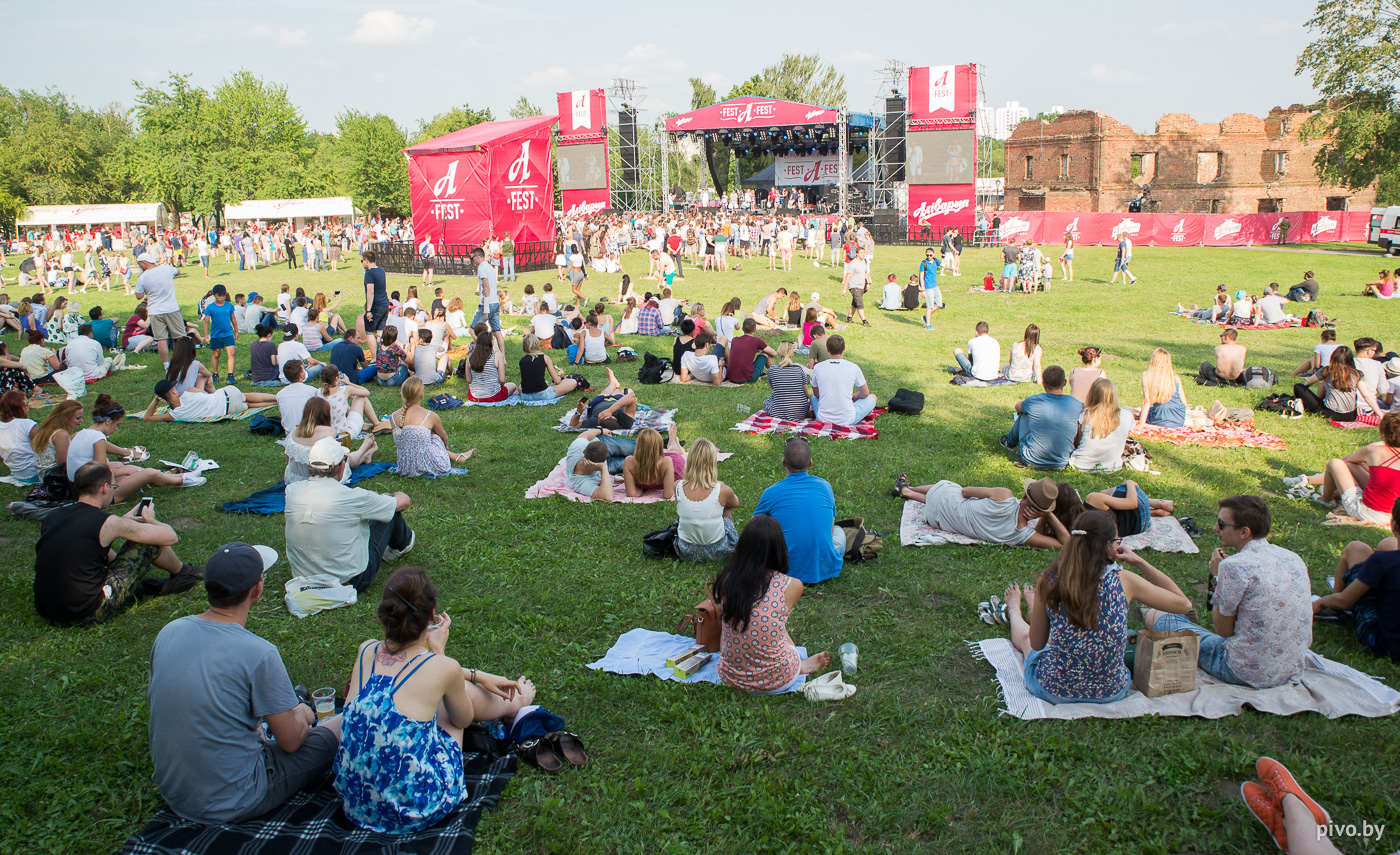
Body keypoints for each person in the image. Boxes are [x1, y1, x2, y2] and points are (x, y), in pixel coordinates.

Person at [147, 541, 340, 823]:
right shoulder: (258, 653)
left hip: (175, 792)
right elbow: (290, 742)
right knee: (342, 724)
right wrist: (303, 713)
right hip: (235, 798)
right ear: (257, 590)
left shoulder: (169, 631)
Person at [335, 567, 536, 833]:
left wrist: (472, 674)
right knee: (449, 708)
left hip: (355, 802)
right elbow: (461, 719)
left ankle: (513, 704)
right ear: (431, 616)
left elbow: (411, 666)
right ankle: (516, 704)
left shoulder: (366, 651)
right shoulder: (442, 667)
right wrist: (440, 654)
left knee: (432, 696)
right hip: (415, 809)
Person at [1001, 509, 1192, 704]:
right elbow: (1184, 604)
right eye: (1117, 541)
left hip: (1054, 690)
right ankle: (1034, 609)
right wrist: (1140, 562)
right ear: (1107, 545)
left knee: (1027, 639)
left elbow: (1037, 644)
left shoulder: (1049, 582)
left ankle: (1015, 609)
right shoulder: (1125, 581)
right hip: (1111, 692)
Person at [1142, 495, 1311, 688]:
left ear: (1244, 532)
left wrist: (1218, 577)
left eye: (1222, 524)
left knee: (1158, 617)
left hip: (1244, 671)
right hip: (1291, 666)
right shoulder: (1293, 558)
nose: (1215, 528)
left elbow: (1223, 631)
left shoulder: (1233, 567)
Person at [34, 461, 202, 625]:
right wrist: (150, 520)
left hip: (47, 611)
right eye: (114, 487)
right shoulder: (106, 522)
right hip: (87, 612)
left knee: (100, 551)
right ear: (105, 488)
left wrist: (122, 522)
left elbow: (83, 543)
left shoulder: (53, 517)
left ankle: (152, 583)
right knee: (147, 543)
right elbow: (170, 536)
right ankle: (185, 572)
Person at [711, 515, 830, 693]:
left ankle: (793, 662)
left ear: (742, 548)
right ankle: (798, 664)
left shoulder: (725, 580)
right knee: (774, 625)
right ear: (779, 548)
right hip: (777, 679)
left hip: (730, 677)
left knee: (756, 622)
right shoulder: (791, 585)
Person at [285, 437, 415, 592]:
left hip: (302, 576)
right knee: (390, 513)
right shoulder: (355, 497)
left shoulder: (292, 491)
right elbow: (404, 501)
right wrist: (387, 496)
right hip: (350, 580)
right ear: (341, 466)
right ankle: (402, 545)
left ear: (310, 465)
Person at [71, 394, 205, 498]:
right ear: (107, 421)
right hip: (96, 493)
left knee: (126, 467)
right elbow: (101, 474)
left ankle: (175, 477)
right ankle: (182, 480)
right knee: (148, 473)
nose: (116, 429)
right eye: (117, 425)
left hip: (79, 487)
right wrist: (125, 472)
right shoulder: (98, 437)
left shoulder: (82, 433)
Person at [752, 438, 843, 584]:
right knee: (839, 531)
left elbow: (754, 527)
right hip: (823, 565)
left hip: (782, 568)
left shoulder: (771, 492)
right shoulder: (825, 486)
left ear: (783, 462)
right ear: (810, 463)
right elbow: (831, 523)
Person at [1316, 506, 1400, 663]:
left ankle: (1335, 606)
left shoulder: (1381, 560)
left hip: (1385, 643)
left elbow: (1343, 602)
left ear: (1394, 524)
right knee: (1389, 543)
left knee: (1355, 548)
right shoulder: (1384, 560)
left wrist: (1321, 602)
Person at [893, 475, 1072, 549]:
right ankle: (907, 491)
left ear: (1024, 495)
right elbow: (1066, 544)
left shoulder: (1004, 495)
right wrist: (1048, 515)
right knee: (951, 502)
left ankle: (910, 489)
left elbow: (965, 491)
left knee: (954, 490)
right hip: (936, 520)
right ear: (1042, 511)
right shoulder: (1022, 535)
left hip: (940, 499)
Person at [1285, 411, 1400, 524]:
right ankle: (1309, 480)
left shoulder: (1374, 450)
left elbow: (1345, 461)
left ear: (1383, 433)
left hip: (1368, 512)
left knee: (1335, 464)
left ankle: (1326, 499)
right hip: (1393, 515)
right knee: (1355, 467)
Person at [383, 378, 475, 477]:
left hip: (405, 467)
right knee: (434, 435)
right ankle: (453, 455)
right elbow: (444, 438)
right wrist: (445, 450)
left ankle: (454, 456)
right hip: (428, 465)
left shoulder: (392, 417)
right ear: (421, 395)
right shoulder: (430, 415)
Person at [1001, 366, 1084, 470]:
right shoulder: (1076, 404)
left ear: (1044, 383)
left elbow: (1018, 407)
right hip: (1061, 461)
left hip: (1031, 458)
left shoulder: (1034, 401)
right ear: (1064, 382)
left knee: (1024, 413)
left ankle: (1009, 441)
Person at [675, 438, 740, 561]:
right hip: (720, 550)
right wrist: (721, 486)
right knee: (725, 506)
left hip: (686, 551)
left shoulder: (677, 486)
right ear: (712, 463)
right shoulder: (722, 490)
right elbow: (735, 503)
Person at [285, 398, 376, 484]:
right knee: (346, 459)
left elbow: (288, 460)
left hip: (293, 479)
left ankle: (364, 457)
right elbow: (335, 460)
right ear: (326, 414)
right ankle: (363, 449)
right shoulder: (328, 432)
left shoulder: (294, 432)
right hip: (318, 479)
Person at [1293, 346, 1377, 422]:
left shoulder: (1327, 371)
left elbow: (1308, 382)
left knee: (1298, 387)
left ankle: (1304, 405)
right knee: (1325, 384)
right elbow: (1367, 396)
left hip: (1330, 413)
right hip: (1350, 416)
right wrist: (1380, 414)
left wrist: (1306, 395)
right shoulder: (1357, 374)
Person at [1069, 378, 1135, 472]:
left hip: (1080, 464)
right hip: (1112, 466)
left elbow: (1078, 441)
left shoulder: (1086, 415)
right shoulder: (1127, 415)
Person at [809, 335, 877, 425]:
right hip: (847, 419)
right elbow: (865, 393)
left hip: (823, 418)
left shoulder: (818, 367)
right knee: (873, 397)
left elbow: (817, 394)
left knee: (812, 395)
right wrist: (855, 396)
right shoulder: (853, 367)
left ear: (827, 349)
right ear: (844, 348)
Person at [133, 252, 185, 368]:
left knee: (161, 339)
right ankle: (184, 361)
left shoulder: (143, 277)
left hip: (155, 310)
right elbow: (178, 272)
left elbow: (139, 296)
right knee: (180, 336)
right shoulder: (166, 268)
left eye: (139, 264)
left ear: (144, 263)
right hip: (171, 308)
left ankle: (166, 365)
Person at [1084, 480, 1175, 537]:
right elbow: (1132, 503)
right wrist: (1130, 483)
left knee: (1108, 505)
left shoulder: (1081, 527)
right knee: (1116, 491)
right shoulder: (1092, 499)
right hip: (1138, 514)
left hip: (1135, 528)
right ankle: (1156, 503)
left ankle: (1152, 512)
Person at [622, 426, 685, 499]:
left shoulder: (629, 462)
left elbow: (632, 493)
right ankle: (672, 441)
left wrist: (642, 489)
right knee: (672, 451)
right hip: (659, 460)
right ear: (659, 446)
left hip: (674, 465)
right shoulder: (629, 461)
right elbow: (668, 494)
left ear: (638, 445)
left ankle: (672, 439)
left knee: (674, 452)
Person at [1136, 348, 1193, 428]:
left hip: (1160, 418)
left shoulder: (1147, 375)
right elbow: (1184, 401)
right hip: (1178, 417)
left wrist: (1141, 424)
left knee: (1145, 413)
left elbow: (1147, 401)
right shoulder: (1175, 377)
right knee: (1152, 410)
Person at [318, 364, 378, 437]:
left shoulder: (318, 392)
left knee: (343, 406)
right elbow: (366, 392)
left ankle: (364, 425)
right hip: (346, 433)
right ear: (336, 378)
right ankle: (376, 423)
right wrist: (348, 383)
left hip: (328, 433)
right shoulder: (344, 389)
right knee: (360, 397)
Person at [567, 370, 637, 430]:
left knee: (604, 392)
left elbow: (573, 425)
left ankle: (613, 383)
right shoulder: (625, 422)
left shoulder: (594, 421)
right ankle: (614, 384)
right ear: (615, 418)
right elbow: (631, 397)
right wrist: (610, 410)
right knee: (616, 391)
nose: (603, 414)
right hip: (617, 401)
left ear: (598, 422)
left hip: (598, 402)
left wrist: (579, 411)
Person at [762, 341, 812, 421]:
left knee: (766, 401)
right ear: (792, 354)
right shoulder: (799, 370)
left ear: (778, 353)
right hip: (801, 412)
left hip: (778, 412)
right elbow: (806, 395)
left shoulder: (772, 370)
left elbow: (775, 389)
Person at [466, 329, 518, 403]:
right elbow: (502, 380)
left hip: (474, 396)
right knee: (512, 385)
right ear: (491, 342)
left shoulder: (470, 357)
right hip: (494, 395)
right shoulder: (497, 355)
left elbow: (469, 380)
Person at [201, 284, 238, 384]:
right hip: (216, 335)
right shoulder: (210, 307)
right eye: (219, 295)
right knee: (216, 354)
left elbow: (233, 318)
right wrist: (206, 335)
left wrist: (236, 331)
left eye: (223, 295)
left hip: (228, 333)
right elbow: (206, 321)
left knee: (231, 353)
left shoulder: (229, 305)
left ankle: (230, 375)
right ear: (214, 295)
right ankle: (215, 373)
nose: (222, 297)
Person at [0, 391, 38, 483]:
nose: (29, 408)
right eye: (26, 405)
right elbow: (42, 449)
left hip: (18, 475)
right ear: (19, 407)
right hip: (35, 473)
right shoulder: (27, 424)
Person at [725, 318, 776, 385]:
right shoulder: (757, 341)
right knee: (766, 353)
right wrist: (761, 349)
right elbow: (774, 353)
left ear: (742, 329)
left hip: (731, 377)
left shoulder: (735, 340)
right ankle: (776, 375)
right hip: (748, 378)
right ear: (755, 329)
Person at [360, 250, 390, 346]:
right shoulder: (381, 270)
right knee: (380, 332)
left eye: (362, 261)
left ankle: (374, 358)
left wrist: (368, 311)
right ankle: (382, 355)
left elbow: (370, 292)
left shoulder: (369, 274)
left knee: (370, 333)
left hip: (376, 306)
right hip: (385, 304)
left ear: (366, 260)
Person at [840, 244, 871, 327]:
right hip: (854, 286)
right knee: (860, 304)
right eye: (861, 253)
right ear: (856, 253)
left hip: (862, 286)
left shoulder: (864, 261)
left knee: (855, 302)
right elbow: (848, 277)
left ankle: (849, 318)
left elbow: (865, 273)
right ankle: (864, 321)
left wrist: (868, 282)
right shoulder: (853, 264)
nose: (863, 254)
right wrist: (844, 289)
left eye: (864, 253)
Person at [919, 246, 942, 329]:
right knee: (929, 306)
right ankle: (928, 324)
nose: (929, 257)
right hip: (928, 287)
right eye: (927, 255)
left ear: (933, 254)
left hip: (935, 286)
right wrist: (923, 289)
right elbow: (921, 277)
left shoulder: (936, 261)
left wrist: (952, 268)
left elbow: (943, 265)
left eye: (930, 255)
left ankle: (925, 317)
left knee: (939, 304)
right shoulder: (923, 263)